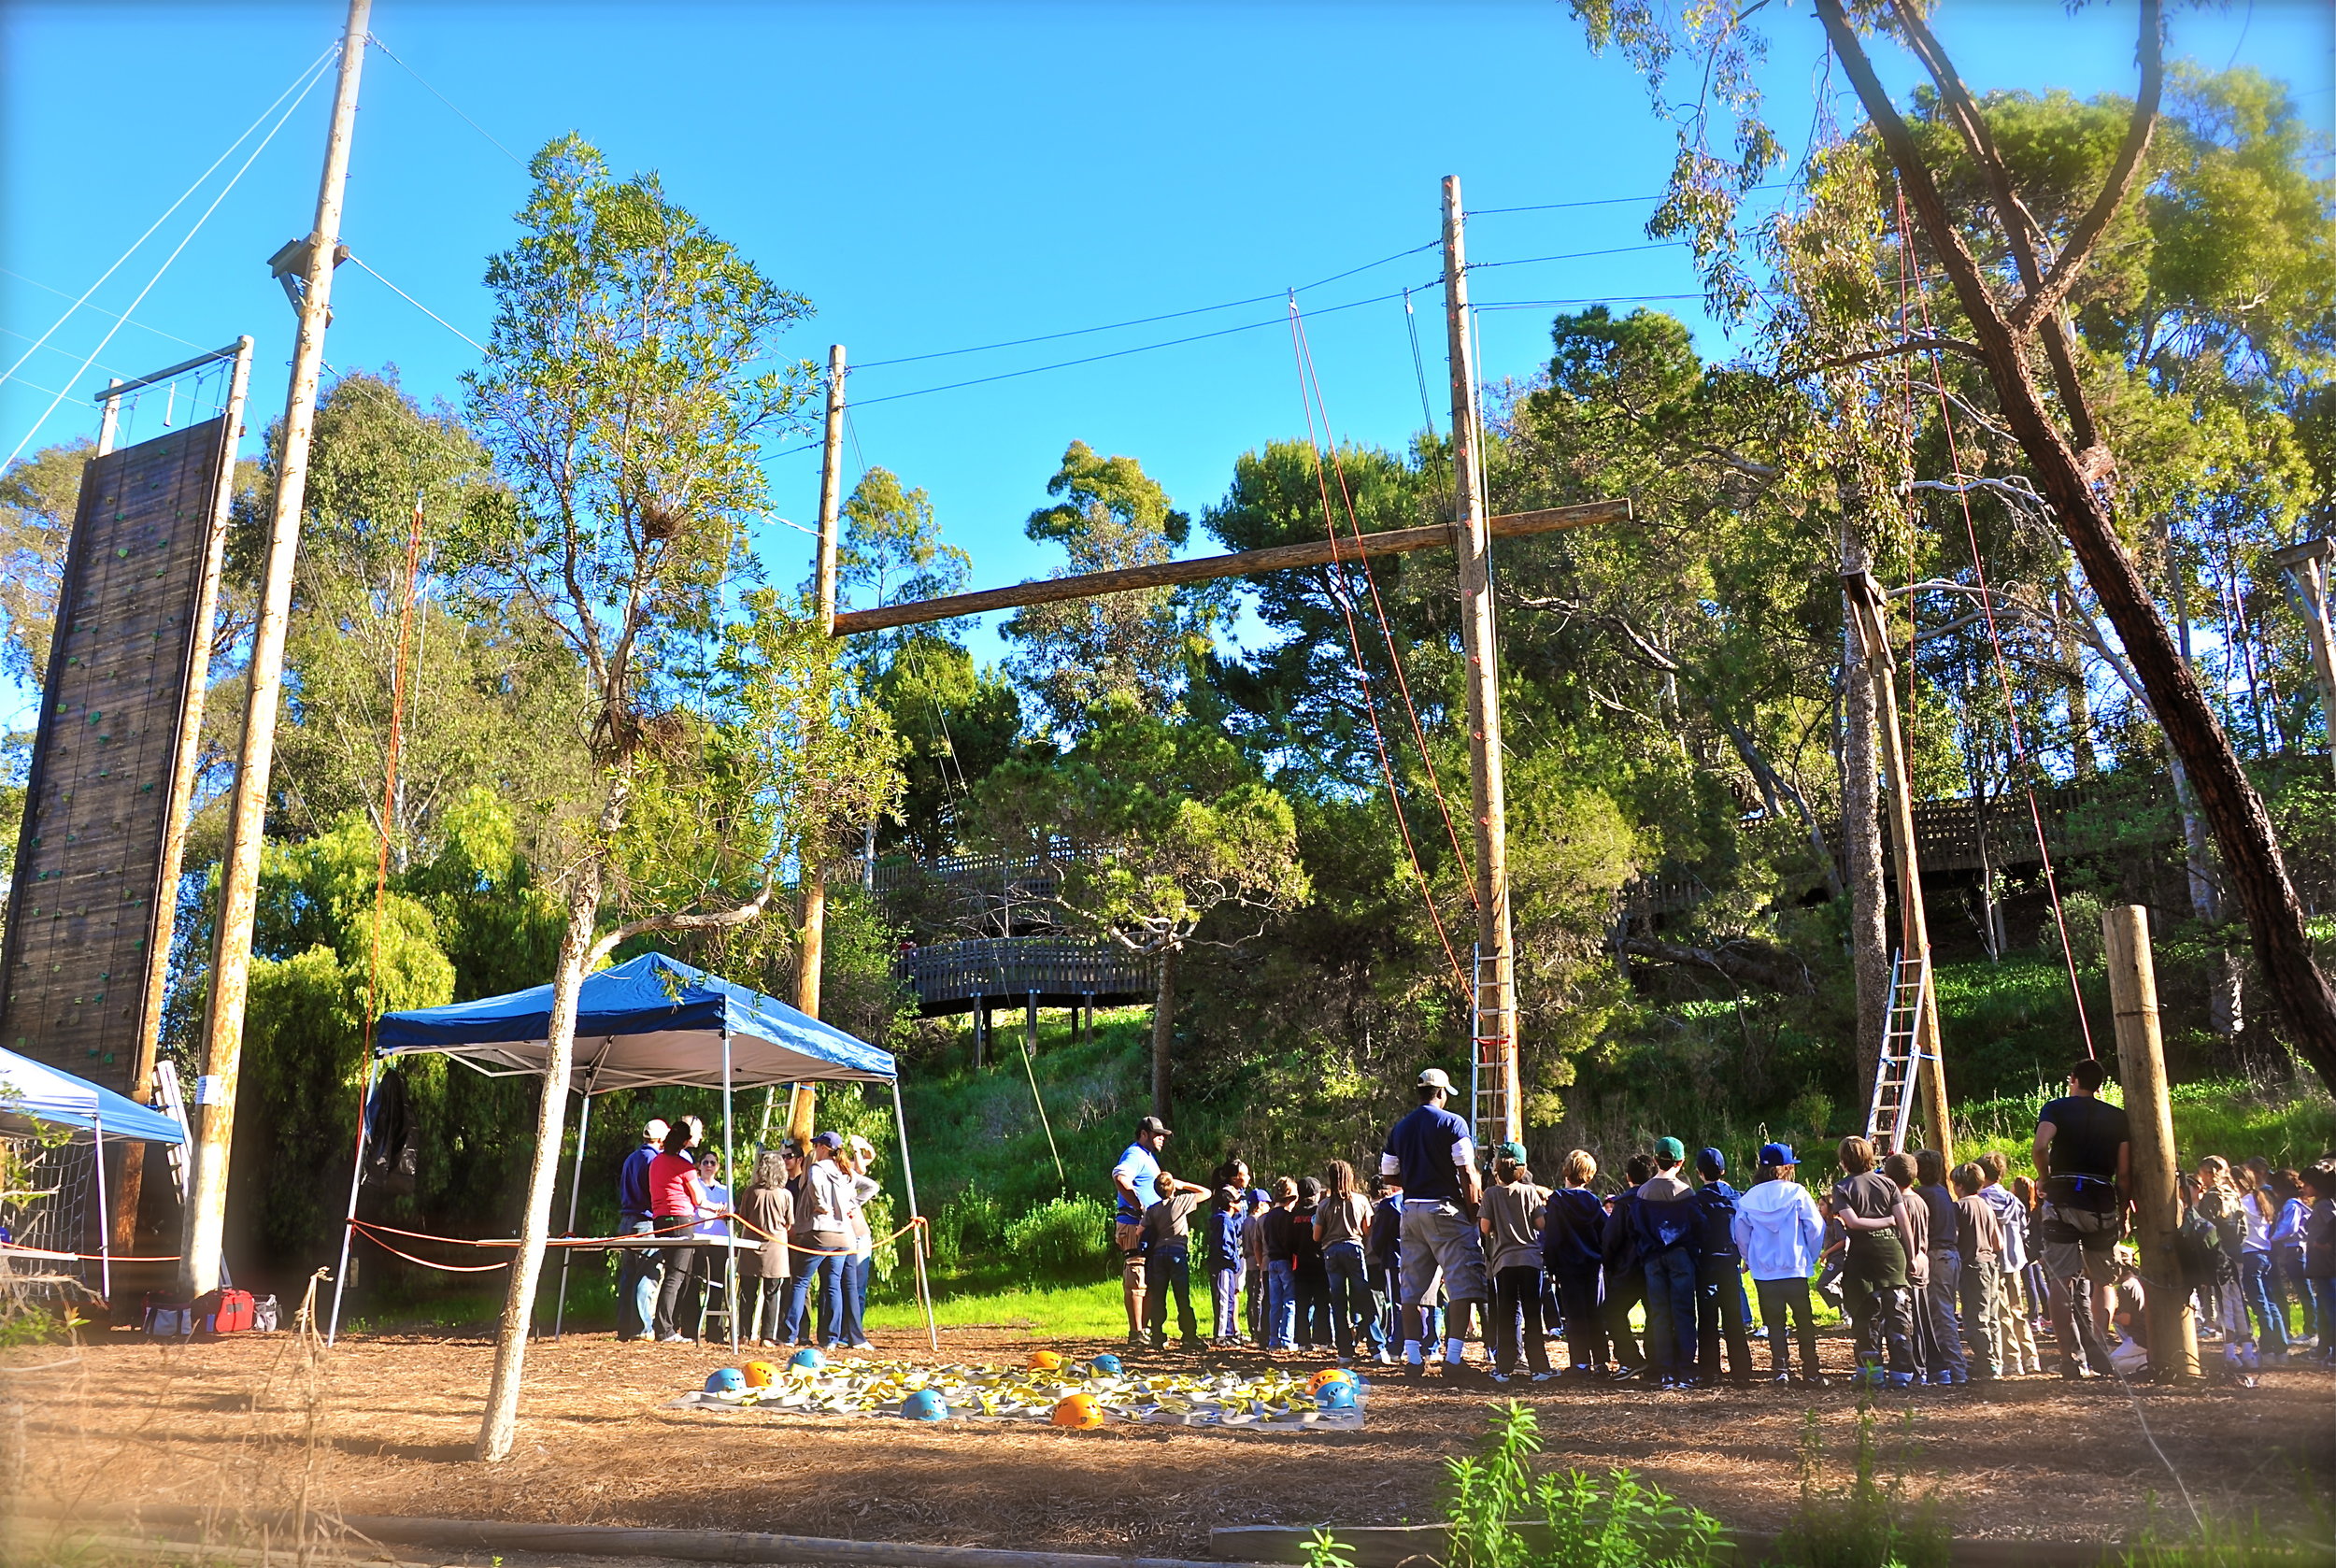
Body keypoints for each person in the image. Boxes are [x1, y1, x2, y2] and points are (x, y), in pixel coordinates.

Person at [1380, 1066, 1488, 1379]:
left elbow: (1388, 1174)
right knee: (1461, 1285)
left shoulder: (1401, 1127)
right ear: (1441, 1093)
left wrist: (1416, 1179)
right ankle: (1453, 1359)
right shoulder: (1453, 1123)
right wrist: (1472, 1210)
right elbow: (1467, 1171)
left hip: (1411, 1210)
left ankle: (1414, 1359)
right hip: (1445, 1210)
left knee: (1411, 1291)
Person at [2033, 1059, 2129, 1378]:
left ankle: (2068, 1359)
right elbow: (2123, 1172)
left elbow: (2040, 1146)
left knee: (2061, 1280)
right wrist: (2124, 1206)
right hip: (2101, 1200)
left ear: (2072, 1079)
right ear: (2100, 1085)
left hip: (2062, 1197)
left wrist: (2044, 1177)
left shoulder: (2056, 1108)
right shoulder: (2117, 1117)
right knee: (2103, 1280)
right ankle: (2099, 1349)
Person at [1733, 1142, 1825, 1386]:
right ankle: (1811, 1370)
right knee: (1804, 1321)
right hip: (1794, 1266)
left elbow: (1741, 1235)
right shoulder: (1797, 1193)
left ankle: (1780, 1369)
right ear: (1787, 1167)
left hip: (1765, 1271)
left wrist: (1750, 1259)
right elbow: (1816, 1227)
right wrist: (1809, 1256)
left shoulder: (1749, 1198)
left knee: (1774, 1322)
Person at [1833, 1135, 1917, 1388]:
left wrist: (1883, 1221)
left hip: (1863, 1258)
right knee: (1898, 1313)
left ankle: (1872, 1373)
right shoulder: (1888, 1184)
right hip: (1893, 1254)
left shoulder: (1842, 1188)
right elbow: (1904, 1222)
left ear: (1844, 1161)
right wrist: (1911, 1256)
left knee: (1865, 1314)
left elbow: (1853, 1222)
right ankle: (1902, 1374)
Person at [1478, 1143, 1550, 1384]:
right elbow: (1541, 1224)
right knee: (1532, 1314)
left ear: (1497, 1168)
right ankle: (1539, 1368)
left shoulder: (1490, 1194)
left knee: (1506, 1315)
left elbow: (1484, 1227)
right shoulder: (1530, 1192)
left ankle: (1504, 1368)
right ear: (1523, 1168)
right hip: (1530, 1260)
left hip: (1504, 1262)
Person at [1632, 1137, 1702, 1389]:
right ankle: (1686, 1370)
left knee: (1660, 1314)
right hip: (1680, 1256)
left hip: (1653, 1258)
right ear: (1681, 1162)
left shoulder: (1643, 1192)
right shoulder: (1686, 1193)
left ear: (1655, 1160)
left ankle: (1665, 1372)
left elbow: (1636, 1227)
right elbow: (1699, 1226)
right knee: (1684, 1312)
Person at [649, 1121, 724, 1343]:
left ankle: (671, 1325)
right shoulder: (685, 1166)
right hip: (681, 1220)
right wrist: (716, 1208)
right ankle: (665, 1329)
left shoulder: (656, 1162)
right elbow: (699, 1198)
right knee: (676, 1275)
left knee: (677, 1273)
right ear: (684, 1142)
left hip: (660, 1220)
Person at [1542, 1149, 1608, 1378]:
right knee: (1595, 1313)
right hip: (1593, 1266)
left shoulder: (1558, 1200)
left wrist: (1551, 1265)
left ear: (1566, 1170)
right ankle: (1601, 1362)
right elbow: (1604, 1232)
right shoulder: (1594, 1201)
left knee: (1574, 1315)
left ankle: (1580, 1363)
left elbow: (1552, 1235)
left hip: (1568, 1266)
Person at [1690, 1147, 1753, 1388]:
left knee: (1707, 1319)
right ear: (1723, 1171)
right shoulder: (1737, 1198)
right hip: (1730, 1263)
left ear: (1699, 1172)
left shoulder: (1696, 1200)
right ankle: (1741, 1371)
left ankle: (1710, 1372)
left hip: (1706, 1264)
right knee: (1733, 1318)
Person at [1975, 1151, 2041, 1376]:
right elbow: (2023, 1229)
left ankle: (2012, 1360)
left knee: (2001, 1311)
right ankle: (2031, 1358)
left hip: (1994, 1260)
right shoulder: (2013, 1200)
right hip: (2015, 1260)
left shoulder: (1981, 1200)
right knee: (2017, 1310)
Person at [1111, 1116, 1174, 1350]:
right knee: (1137, 1279)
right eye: (1157, 1134)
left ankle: (1143, 1330)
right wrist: (1139, 1206)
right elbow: (1120, 1177)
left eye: (1163, 1135)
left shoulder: (1148, 1157)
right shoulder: (1135, 1154)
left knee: (1147, 1279)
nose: (1162, 1139)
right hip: (1133, 1224)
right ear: (1143, 1134)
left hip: (1146, 1226)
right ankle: (1136, 1333)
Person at [799, 1131, 862, 1349]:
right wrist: (853, 1206)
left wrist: (821, 1205)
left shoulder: (818, 1168)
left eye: (817, 1145)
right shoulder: (844, 1171)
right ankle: (831, 1338)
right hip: (844, 1234)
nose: (815, 1149)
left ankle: (789, 1334)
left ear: (824, 1148)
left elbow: (815, 1185)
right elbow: (867, 1184)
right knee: (833, 1284)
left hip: (823, 1230)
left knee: (800, 1281)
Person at [1316, 1160, 1378, 1364]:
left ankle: (1344, 1351)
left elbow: (1316, 1236)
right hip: (1354, 1249)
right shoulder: (1361, 1201)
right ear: (1351, 1177)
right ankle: (1377, 1347)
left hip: (1331, 1252)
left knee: (1338, 1301)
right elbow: (1368, 1230)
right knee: (1363, 1296)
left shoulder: (1324, 1205)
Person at [1141, 1168, 1210, 1350]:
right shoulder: (1181, 1202)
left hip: (1158, 1255)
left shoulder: (1152, 1209)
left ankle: (1157, 1336)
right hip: (1177, 1253)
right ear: (1173, 1187)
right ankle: (1188, 1336)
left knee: (1158, 1297)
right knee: (1182, 1297)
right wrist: (1184, 1184)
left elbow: (1140, 1230)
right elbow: (1206, 1193)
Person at [1912, 1148, 1965, 1385]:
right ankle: (1948, 1366)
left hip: (1937, 1255)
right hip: (1951, 1255)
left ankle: (1956, 1370)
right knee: (1945, 1312)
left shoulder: (1923, 1194)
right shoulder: (1942, 1191)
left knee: (1942, 1316)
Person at [616, 1117, 670, 1342]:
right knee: (647, 1273)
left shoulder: (631, 1158)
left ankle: (624, 1327)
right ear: (661, 1139)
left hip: (626, 1221)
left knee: (628, 1274)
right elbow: (653, 1191)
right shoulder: (655, 1160)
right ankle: (642, 1327)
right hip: (645, 1221)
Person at [1949, 1161, 2004, 1381]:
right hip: (1991, 1264)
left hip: (1972, 1266)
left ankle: (1986, 1363)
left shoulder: (1959, 1207)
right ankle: (1995, 1361)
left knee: (1975, 1318)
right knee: (1992, 1316)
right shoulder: (1986, 1206)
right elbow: (1998, 1243)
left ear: (1960, 1185)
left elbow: (1953, 1237)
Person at [1602, 1154, 1654, 1377]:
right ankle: (1656, 1359)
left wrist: (1609, 1265)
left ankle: (1630, 1358)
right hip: (1653, 1266)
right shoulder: (1657, 1200)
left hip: (1628, 1269)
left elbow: (1611, 1239)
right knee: (1656, 1314)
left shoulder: (1624, 1204)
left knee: (1612, 1311)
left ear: (1628, 1177)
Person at [736, 1148, 794, 1346]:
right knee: (772, 1293)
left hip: (750, 1245)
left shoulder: (751, 1192)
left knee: (747, 1293)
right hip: (776, 1247)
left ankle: (743, 1334)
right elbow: (789, 1223)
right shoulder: (785, 1195)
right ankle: (767, 1336)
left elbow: (743, 1218)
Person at [2234, 1162, 2287, 1361]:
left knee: (2260, 1305)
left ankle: (2267, 1349)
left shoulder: (2242, 1204)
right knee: (2270, 1303)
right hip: (2264, 1255)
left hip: (2250, 1256)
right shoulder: (2260, 1199)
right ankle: (2281, 1349)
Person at [839, 1134, 881, 1350]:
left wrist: (860, 1147)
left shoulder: (847, 1173)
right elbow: (865, 1165)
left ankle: (853, 1332)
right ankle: (841, 1332)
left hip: (860, 1235)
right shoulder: (826, 1173)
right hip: (843, 1236)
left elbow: (866, 1170)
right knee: (842, 1285)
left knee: (858, 1287)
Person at [2268, 1167, 2317, 1347]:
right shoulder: (2299, 1203)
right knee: (2305, 1291)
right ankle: (2312, 1329)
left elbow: (2289, 1228)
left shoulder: (2291, 1204)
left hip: (2295, 1250)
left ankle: (2312, 1331)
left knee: (2304, 1291)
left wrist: (2270, 1239)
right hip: (2298, 1250)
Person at [1291, 1176, 1331, 1350]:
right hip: (1320, 1263)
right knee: (1322, 1302)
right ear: (1315, 1194)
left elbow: (1289, 1240)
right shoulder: (1319, 1211)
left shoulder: (1293, 1214)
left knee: (1302, 1303)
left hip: (1300, 1263)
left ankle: (1302, 1340)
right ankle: (1322, 1339)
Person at [1367, 1176, 1403, 1361]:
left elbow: (1378, 1237)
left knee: (1397, 1302)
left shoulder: (1389, 1205)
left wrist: (1380, 1253)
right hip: (1416, 1258)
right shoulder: (1413, 1200)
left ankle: (1395, 1345)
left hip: (1394, 1258)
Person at [1261, 1176, 1301, 1350]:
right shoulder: (1287, 1217)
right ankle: (1286, 1339)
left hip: (1272, 1261)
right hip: (1285, 1260)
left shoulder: (1268, 1217)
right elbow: (1289, 1240)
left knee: (1275, 1302)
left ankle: (1273, 1340)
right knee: (1289, 1301)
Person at [2303, 1160, 2336, 1365]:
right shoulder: (2322, 1204)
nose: (2304, 1188)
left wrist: (2323, 1242)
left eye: (2307, 1184)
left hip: (2327, 1266)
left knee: (2331, 1309)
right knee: (2325, 1309)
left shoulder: (2325, 1205)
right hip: (2321, 1267)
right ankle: (2324, 1348)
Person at [1207, 1186, 1247, 1345]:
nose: (1240, 1204)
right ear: (1231, 1204)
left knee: (1229, 1298)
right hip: (1223, 1266)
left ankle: (1228, 1333)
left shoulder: (1224, 1219)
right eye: (1238, 1201)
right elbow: (1225, 1246)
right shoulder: (1224, 1220)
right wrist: (1234, 1261)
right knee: (1224, 1300)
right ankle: (1221, 1335)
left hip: (1226, 1266)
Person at [1244, 1187, 1274, 1344]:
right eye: (1267, 1204)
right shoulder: (1257, 1221)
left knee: (1252, 1297)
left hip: (1249, 1263)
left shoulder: (1246, 1220)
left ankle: (1253, 1329)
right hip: (1257, 1263)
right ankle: (1258, 1330)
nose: (1269, 1207)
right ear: (1260, 1204)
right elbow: (1258, 1245)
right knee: (1259, 1298)